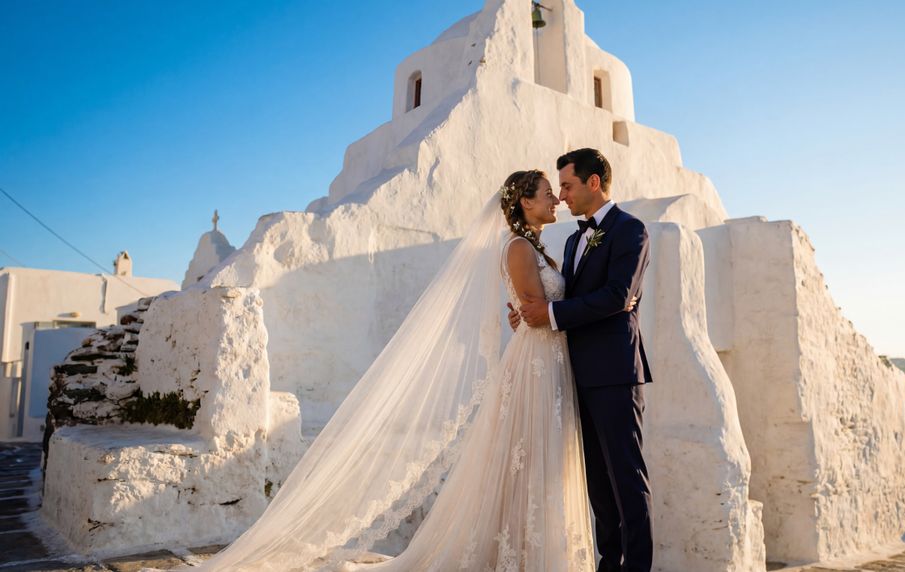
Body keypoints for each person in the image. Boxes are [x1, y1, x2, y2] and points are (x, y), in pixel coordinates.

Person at [186, 169, 612, 571]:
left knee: (545, 459)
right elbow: (538, 311)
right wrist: (539, 312)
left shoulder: (535, 246)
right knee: (532, 457)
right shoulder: (518, 247)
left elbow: (534, 308)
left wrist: (531, 312)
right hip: (536, 363)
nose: (556, 197)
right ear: (523, 201)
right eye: (546, 192)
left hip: (548, 359)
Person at [512, 148, 654, 572]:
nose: (562, 195)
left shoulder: (631, 230)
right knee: (598, 485)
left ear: (594, 183)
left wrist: (551, 314)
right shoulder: (574, 240)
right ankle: (609, 565)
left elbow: (616, 295)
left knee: (627, 478)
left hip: (614, 373)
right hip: (576, 375)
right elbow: (572, 299)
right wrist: (529, 314)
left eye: (568, 186)